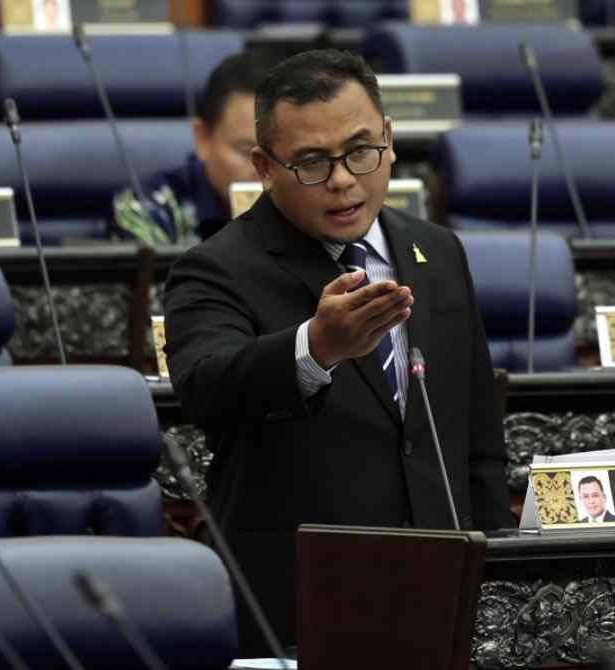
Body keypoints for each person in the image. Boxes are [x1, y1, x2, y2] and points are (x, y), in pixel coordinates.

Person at [164, 49, 511, 654]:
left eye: (360, 150)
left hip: (443, 585)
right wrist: (314, 348)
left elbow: (476, 436)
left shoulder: (437, 251)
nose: (344, 178)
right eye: (311, 162)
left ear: (391, 141)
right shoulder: (216, 268)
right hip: (300, 599)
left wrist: (500, 577)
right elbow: (206, 385)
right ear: (264, 167)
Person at [112, 52, 266, 247]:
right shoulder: (147, 209)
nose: (265, 170)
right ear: (203, 138)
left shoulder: (307, 201)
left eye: (277, 154)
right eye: (247, 152)